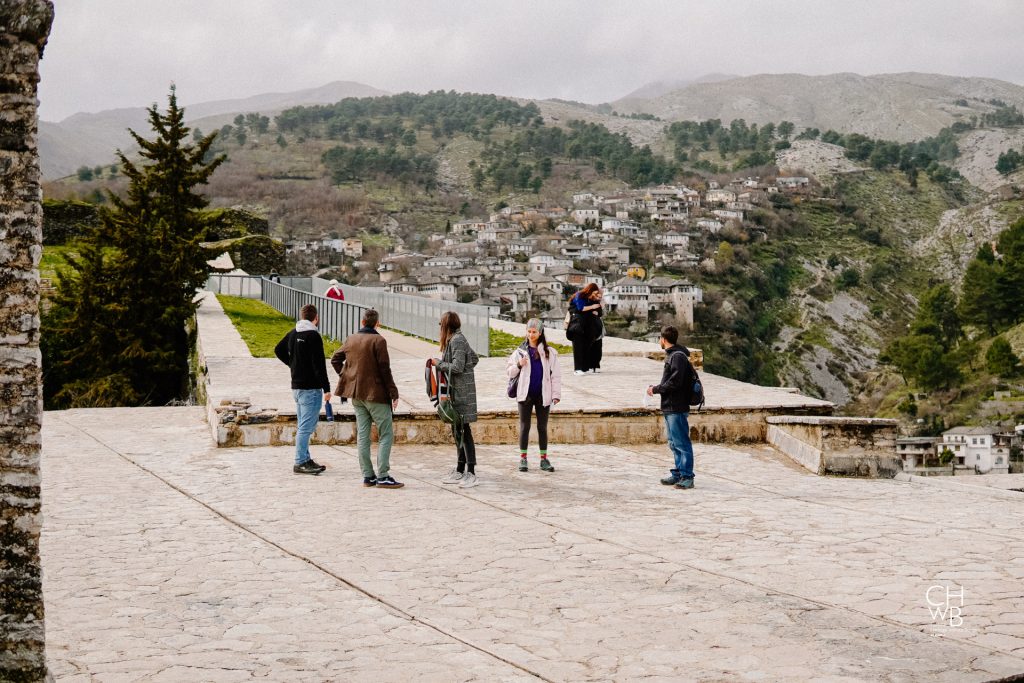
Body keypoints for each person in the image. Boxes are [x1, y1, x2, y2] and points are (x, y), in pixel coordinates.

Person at [330, 309, 403, 489]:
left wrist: (347, 376)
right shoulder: (379, 340)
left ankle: (368, 476)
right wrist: (394, 393)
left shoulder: (351, 339)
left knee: (363, 435)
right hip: (376, 395)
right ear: (377, 324)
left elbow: (335, 359)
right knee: (385, 434)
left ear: (362, 322)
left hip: (357, 395)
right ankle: (383, 475)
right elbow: (385, 369)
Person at [274, 303, 331, 475]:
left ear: (301, 316)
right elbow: (319, 365)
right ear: (316, 318)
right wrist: (327, 389)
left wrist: (293, 365)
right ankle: (299, 462)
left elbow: (278, 350)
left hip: (297, 387)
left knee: (302, 424)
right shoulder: (313, 336)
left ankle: (306, 458)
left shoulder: (293, 333)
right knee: (306, 427)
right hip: (311, 388)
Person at [432, 312, 481, 488]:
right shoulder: (456, 339)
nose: (440, 328)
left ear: (447, 325)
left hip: (462, 394)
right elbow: (473, 358)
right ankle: (460, 469)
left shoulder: (457, 340)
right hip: (458, 392)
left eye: (441, 324)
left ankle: (472, 473)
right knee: (458, 430)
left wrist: (438, 363)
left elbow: (458, 366)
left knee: (464, 432)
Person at [507, 318, 562, 472]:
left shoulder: (549, 352)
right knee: (525, 427)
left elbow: (555, 375)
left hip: (543, 395)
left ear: (540, 332)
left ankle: (544, 460)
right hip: (525, 395)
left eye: (534, 332)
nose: (531, 335)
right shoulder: (519, 352)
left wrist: (555, 395)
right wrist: (519, 364)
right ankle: (523, 459)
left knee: (542, 427)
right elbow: (509, 372)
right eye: (529, 331)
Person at [646, 325, 696, 490]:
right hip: (670, 406)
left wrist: (656, 389)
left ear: (663, 339)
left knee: (681, 442)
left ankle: (687, 476)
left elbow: (675, 382)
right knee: (673, 443)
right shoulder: (673, 355)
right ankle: (678, 472)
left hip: (677, 406)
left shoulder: (677, 357)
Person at [568, 283, 604, 375]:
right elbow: (580, 308)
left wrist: (597, 308)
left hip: (589, 326)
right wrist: (592, 308)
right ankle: (577, 369)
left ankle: (584, 367)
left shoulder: (592, 298)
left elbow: (599, 311)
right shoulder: (579, 295)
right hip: (577, 325)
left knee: (587, 346)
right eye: (594, 292)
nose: (595, 295)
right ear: (590, 290)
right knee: (578, 347)